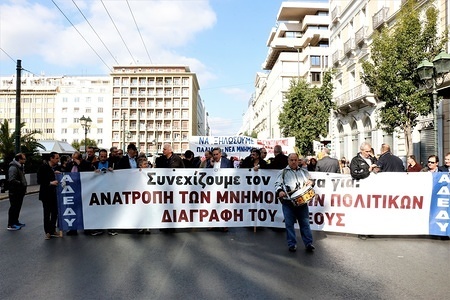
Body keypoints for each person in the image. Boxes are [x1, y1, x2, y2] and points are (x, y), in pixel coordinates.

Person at [274, 153, 315, 252]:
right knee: (289, 224)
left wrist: (311, 182)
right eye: (291, 160)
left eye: (295, 160)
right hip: (288, 202)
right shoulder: (283, 172)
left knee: (305, 223)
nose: (293, 162)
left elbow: (310, 182)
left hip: (302, 202)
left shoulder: (303, 172)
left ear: (298, 160)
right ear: (288, 161)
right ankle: (292, 244)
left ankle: (308, 243)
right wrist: (280, 191)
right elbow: (277, 184)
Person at [37, 152, 60, 239]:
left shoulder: (55, 168)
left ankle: (53, 230)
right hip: (46, 194)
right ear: (51, 158)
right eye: (57, 158)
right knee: (47, 214)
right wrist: (50, 183)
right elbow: (39, 180)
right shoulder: (43, 167)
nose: (58, 160)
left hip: (54, 194)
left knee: (55, 213)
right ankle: (47, 232)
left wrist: (56, 174)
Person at [6, 153, 27, 231]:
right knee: (14, 207)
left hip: (19, 191)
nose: (25, 160)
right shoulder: (13, 167)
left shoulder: (20, 167)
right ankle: (11, 224)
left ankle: (16, 222)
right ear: (19, 159)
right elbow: (12, 179)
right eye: (24, 159)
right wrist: (21, 184)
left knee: (17, 207)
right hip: (15, 191)